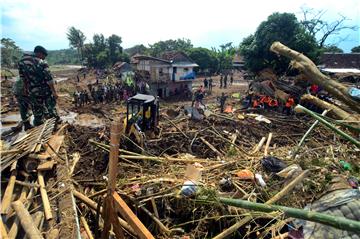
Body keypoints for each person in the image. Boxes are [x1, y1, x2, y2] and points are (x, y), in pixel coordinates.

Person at [18, 45, 59, 126]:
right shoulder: (41, 62)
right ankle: (55, 124)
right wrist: (54, 92)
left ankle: (39, 124)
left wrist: (26, 90)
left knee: (37, 110)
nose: (44, 58)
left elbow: (23, 78)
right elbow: (49, 79)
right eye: (44, 56)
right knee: (51, 107)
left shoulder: (21, 62)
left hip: (32, 91)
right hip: (45, 91)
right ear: (40, 53)